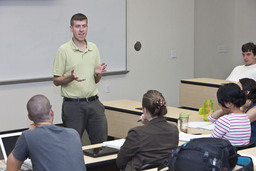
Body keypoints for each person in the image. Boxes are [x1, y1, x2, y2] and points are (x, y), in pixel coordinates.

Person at [52, 13, 108, 144]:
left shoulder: (93, 48)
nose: (81, 30)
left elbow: (96, 80)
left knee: (101, 144)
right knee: (72, 145)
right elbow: (56, 81)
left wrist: (97, 73)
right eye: (77, 26)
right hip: (73, 106)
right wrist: (71, 77)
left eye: (84, 26)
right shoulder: (63, 50)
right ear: (71, 28)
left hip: (94, 104)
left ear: (87, 27)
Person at [6, 95, 86, 171]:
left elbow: (11, 168)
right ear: (51, 112)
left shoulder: (28, 136)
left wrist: (30, 131)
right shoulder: (73, 133)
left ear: (29, 117)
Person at [116, 90, 179, 171]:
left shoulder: (137, 133)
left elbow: (120, 162)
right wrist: (148, 124)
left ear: (144, 110)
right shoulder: (173, 130)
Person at [238, 78, 256, 145]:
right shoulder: (242, 104)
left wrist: (242, 108)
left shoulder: (254, 109)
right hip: (243, 141)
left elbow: (238, 123)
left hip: (251, 144)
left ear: (247, 92)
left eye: (238, 88)